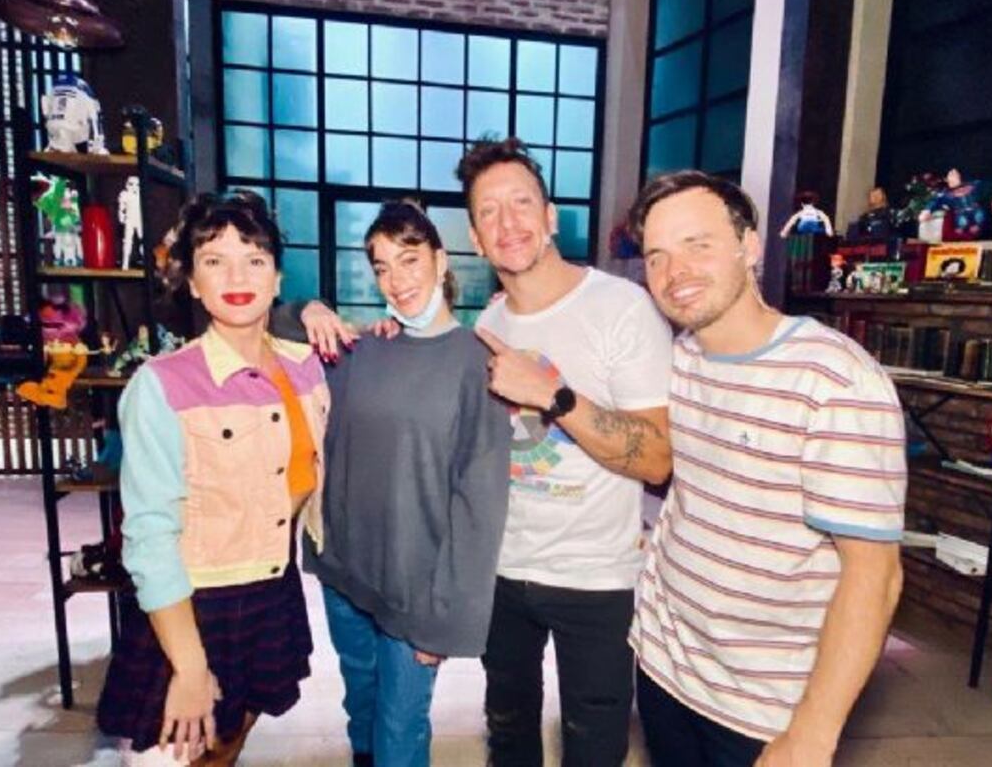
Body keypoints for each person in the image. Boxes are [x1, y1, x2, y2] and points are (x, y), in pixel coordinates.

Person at [626, 170, 906, 766]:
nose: (675, 273)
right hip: (664, 666)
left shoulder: (835, 380)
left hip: (764, 706)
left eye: (698, 244)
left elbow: (875, 576)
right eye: (657, 256)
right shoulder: (682, 357)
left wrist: (814, 733)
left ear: (749, 247)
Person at [456, 137, 674, 767]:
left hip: (595, 577)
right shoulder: (486, 325)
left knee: (594, 746)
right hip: (502, 573)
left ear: (551, 216)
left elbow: (657, 458)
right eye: (489, 211)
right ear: (475, 238)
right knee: (508, 738)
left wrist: (554, 396)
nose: (508, 222)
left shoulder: (621, 308)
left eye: (521, 203)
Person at [97, 191, 328, 766]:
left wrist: (317, 309)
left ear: (277, 277)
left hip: (271, 588)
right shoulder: (161, 385)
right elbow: (148, 535)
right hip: (193, 602)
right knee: (172, 757)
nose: (237, 277)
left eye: (254, 259)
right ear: (193, 283)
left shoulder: (306, 369)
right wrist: (190, 668)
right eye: (214, 260)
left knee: (226, 749)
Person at [302, 201, 512, 767]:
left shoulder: (477, 362)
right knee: (362, 709)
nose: (396, 280)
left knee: (399, 729)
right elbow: (261, 331)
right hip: (345, 572)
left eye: (410, 259)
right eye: (382, 267)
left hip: (415, 587)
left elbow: (480, 504)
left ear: (441, 261)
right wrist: (308, 308)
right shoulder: (360, 349)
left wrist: (445, 618)